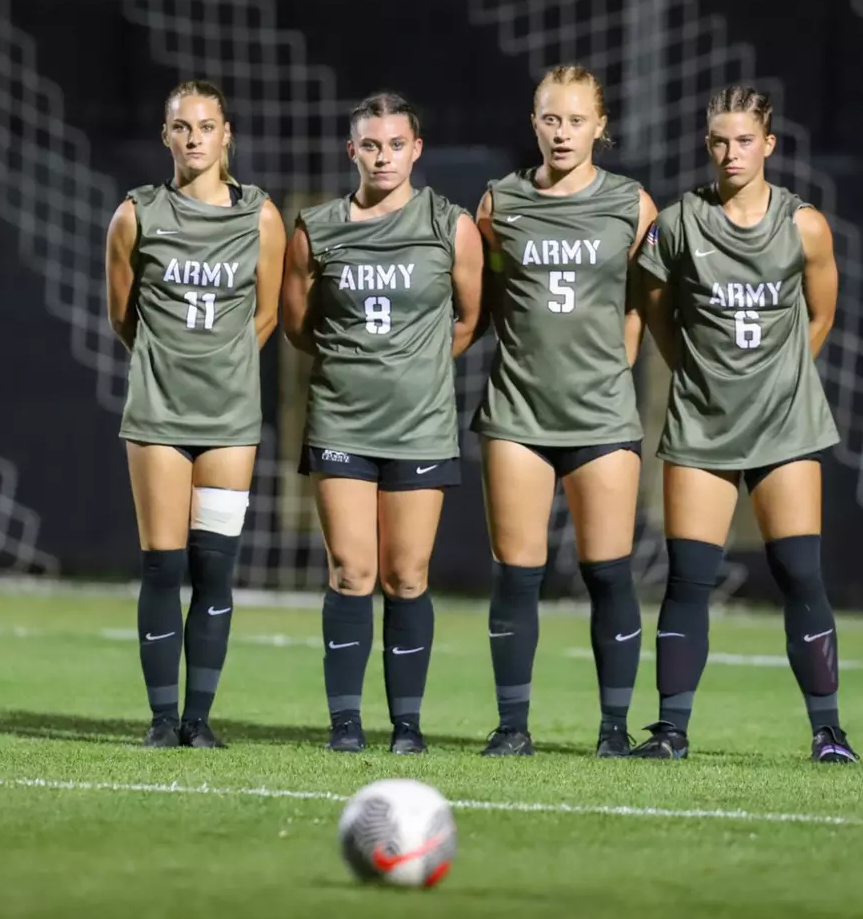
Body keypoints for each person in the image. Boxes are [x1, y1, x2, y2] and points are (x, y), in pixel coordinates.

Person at [632, 85, 856, 763]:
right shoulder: (676, 225)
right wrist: (702, 374)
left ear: (770, 145)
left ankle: (829, 733)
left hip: (786, 425)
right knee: (688, 578)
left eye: (744, 140)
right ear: (708, 146)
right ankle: (671, 732)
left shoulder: (802, 225)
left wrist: (780, 378)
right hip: (703, 425)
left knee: (799, 574)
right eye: (719, 141)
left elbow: (820, 314)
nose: (731, 153)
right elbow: (655, 310)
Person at [281, 92, 483, 755]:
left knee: (407, 576)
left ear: (416, 151)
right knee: (350, 571)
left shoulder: (450, 227)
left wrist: (415, 365)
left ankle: (407, 726)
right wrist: (358, 361)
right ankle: (344, 726)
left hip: (420, 425)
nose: (384, 156)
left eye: (396, 144)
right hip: (341, 421)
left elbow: (466, 317)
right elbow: (296, 324)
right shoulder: (316, 228)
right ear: (352, 152)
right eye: (371, 145)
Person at [473, 65, 659, 758]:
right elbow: (488, 298)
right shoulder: (500, 203)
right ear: (533, 122)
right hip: (518, 412)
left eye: (576, 120)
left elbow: (642, 301)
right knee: (516, 573)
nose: (562, 132)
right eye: (551, 118)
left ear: (600, 128)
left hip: (602, 417)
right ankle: (512, 727)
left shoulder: (632, 205)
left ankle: (613, 730)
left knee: (608, 571)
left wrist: (615, 369)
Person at [104, 79, 286, 750]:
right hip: (157, 414)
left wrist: (223, 364)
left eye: (205, 126)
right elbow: (124, 315)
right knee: (162, 564)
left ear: (226, 135)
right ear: (166, 137)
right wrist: (170, 363)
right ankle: (160, 719)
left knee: (215, 569)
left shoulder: (260, 217)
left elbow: (267, 312)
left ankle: (199, 720)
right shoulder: (136, 215)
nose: (193, 138)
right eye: (181, 127)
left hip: (230, 418)